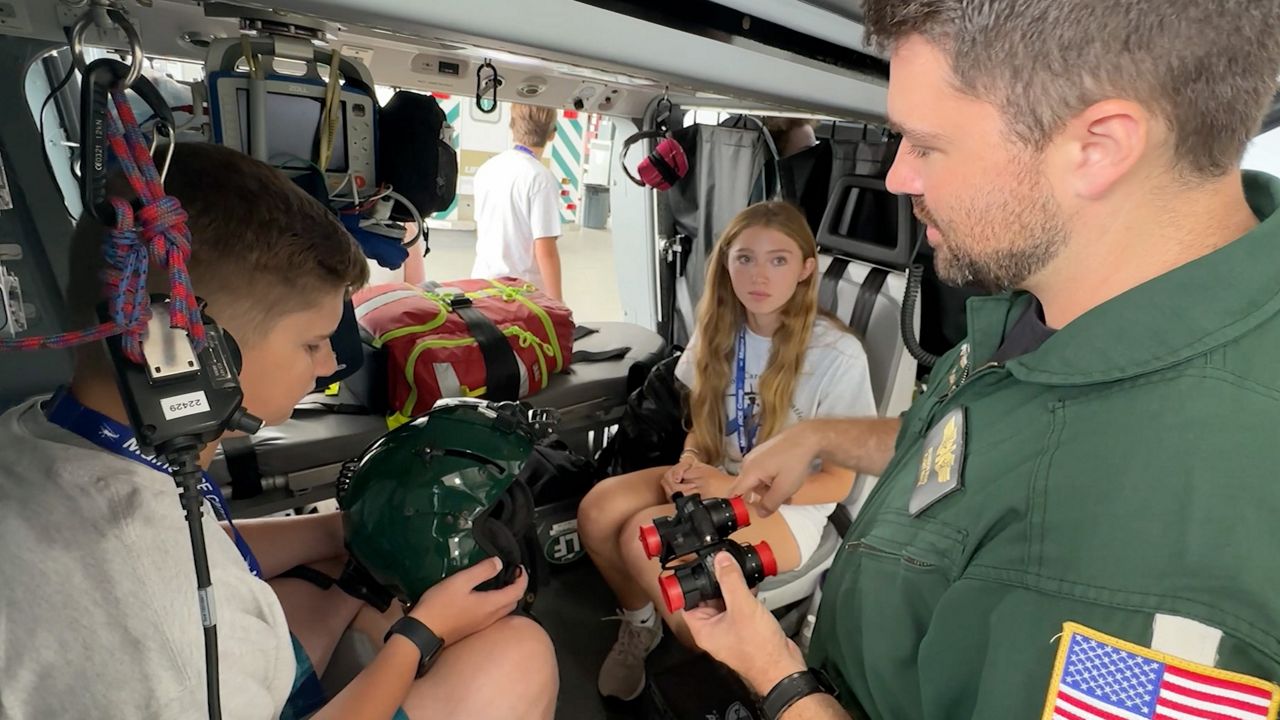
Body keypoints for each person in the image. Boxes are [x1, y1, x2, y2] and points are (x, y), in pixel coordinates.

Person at [681, 1, 1280, 718]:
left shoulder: (1160, 556)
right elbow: (965, 445)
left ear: (1100, 147)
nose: (899, 178)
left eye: (926, 146)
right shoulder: (1057, 307)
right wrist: (817, 437)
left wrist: (775, 673)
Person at [0, 142, 558, 719]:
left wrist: (340, 532)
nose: (324, 367)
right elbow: (178, 624)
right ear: (190, 353)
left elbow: (210, 546)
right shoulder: (176, 649)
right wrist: (419, 633)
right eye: (312, 344)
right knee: (521, 653)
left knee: (333, 575)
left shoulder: (42, 434)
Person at [577, 201, 875, 701]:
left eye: (778, 260)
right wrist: (691, 461)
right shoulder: (720, 328)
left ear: (805, 269)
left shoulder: (837, 356)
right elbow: (703, 428)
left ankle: (721, 662)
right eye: (745, 258)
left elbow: (839, 483)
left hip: (789, 507)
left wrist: (732, 487)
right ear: (725, 263)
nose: (759, 275)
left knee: (639, 536)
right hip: (718, 476)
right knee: (596, 509)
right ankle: (640, 624)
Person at [471, 103, 564, 301]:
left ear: (512, 127)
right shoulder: (541, 178)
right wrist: (558, 304)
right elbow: (545, 249)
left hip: (482, 288)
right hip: (520, 296)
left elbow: (483, 231)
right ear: (552, 134)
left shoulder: (487, 168)